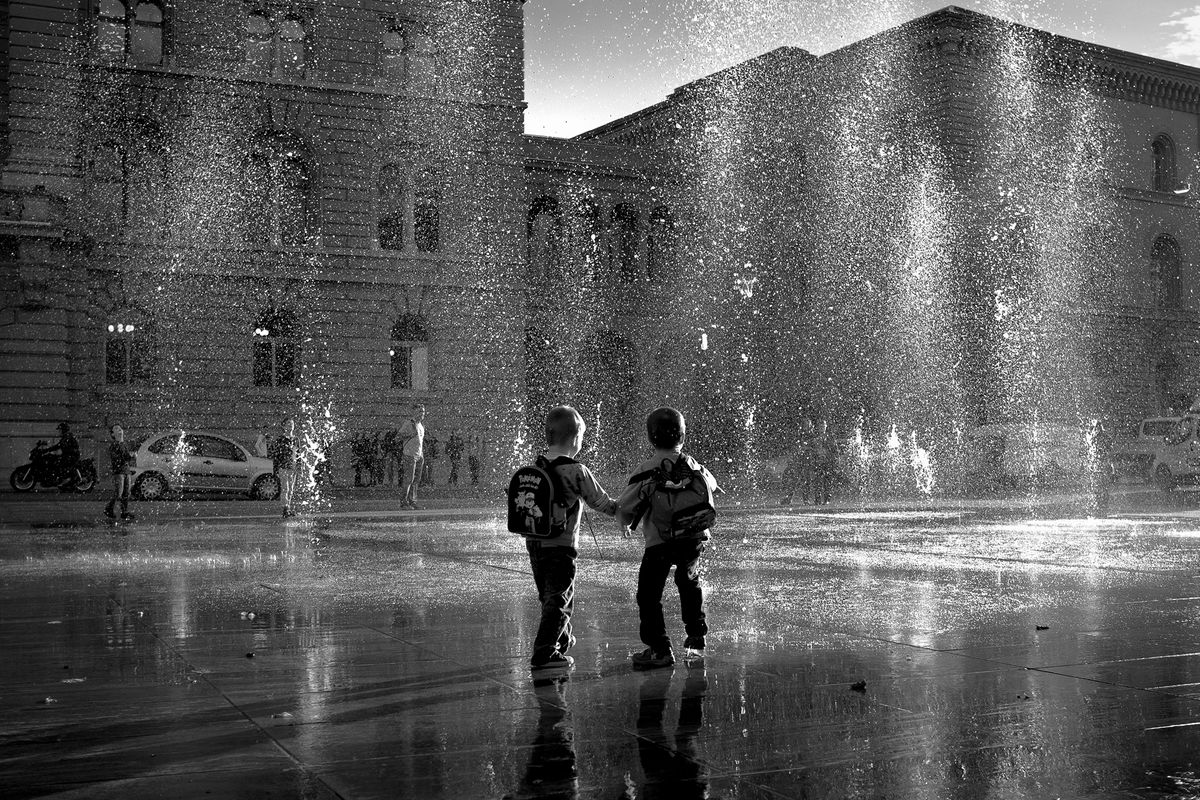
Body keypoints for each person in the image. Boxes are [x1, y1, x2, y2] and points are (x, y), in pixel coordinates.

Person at [618, 407, 718, 670]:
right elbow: (712, 484)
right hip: (692, 538)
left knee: (649, 595)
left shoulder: (646, 470)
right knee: (689, 583)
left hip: (659, 542)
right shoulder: (692, 464)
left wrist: (625, 522)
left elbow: (625, 506)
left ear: (651, 438)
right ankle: (696, 636)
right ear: (683, 436)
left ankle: (659, 648)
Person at [526, 406, 618, 673]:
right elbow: (601, 502)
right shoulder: (577, 470)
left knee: (548, 596)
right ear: (576, 438)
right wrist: (623, 509)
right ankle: (545, 653)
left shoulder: (534, 466)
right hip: (561, 546)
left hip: (534, 543)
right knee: (561, 598)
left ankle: (561, 638)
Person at [104, 424, 136, 521]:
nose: (120, 430)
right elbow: (117, 459)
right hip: (119, 472)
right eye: (116, 429)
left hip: (126, 471)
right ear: (113, 434)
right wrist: (129, 457)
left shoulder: (123, 444)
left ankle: (124, 512)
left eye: (120, 428)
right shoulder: (114, 445)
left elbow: (126, 458)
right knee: (119, 493)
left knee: (126, 493)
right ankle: (108, 509)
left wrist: (131, 457)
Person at [781, 417, 815, 505]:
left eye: (807, 424)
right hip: (798, 460)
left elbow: (814, 447)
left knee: (806, 481)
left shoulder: (812, 435)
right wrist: (796, 450)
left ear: (810, 425)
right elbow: (794, 445)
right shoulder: (799, 434)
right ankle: (789, 498)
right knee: (794, 480)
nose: (806, 426)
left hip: (807, 460)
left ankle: (806, 499)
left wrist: (807, 447)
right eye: (804, 424)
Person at [398, 405, 426, 509]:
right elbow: (398, 436)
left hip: (419, 456)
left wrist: (421, 454)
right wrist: (409, 434)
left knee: (416, 480)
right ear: (414, 412)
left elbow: (420, 442)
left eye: (423, 412)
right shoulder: (409, 423)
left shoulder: (421, 425)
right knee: (408, 479)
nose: (422, 414)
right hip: (409, 455)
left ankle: (412, 501)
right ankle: (404, 502)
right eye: (419, 411)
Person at [270, 417, 298, 517]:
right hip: (283, 467)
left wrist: (298, 466)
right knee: (285, 488)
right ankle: (285, 508)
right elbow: (276, 455)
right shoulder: (280, 440)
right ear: (284, 426)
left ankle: (288, 508)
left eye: (292, 424)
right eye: (288, 424)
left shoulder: (295, 439)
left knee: (291, 489)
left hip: (293, 467)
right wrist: (275, 469)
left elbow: (297, 454)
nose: (291, 426)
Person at [45, 422, 81, 491]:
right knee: (55, 460)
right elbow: (59, 445)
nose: (59, 431)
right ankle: (61, 479)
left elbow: (59, 446)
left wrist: (48, 450)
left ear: (63, 430)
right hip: (69, 455)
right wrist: (47, 450)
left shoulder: (67, 437)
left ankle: (65, 480)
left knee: (58, 463)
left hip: (71, 456)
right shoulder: (66, 436)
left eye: (60, 430)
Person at [811, 418, 836, 505]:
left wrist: (832, 460)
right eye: (820, 426)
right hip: (818, 462)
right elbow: (811, 450)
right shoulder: (814, 437)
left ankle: (827, 499)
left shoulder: (830, 437)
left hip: (827, 462)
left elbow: (834, 450)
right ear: (818, 427)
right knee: (817, 481)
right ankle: (817, 499)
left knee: (827, 482)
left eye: (823, 426)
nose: (822, 427)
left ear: (826, 427)